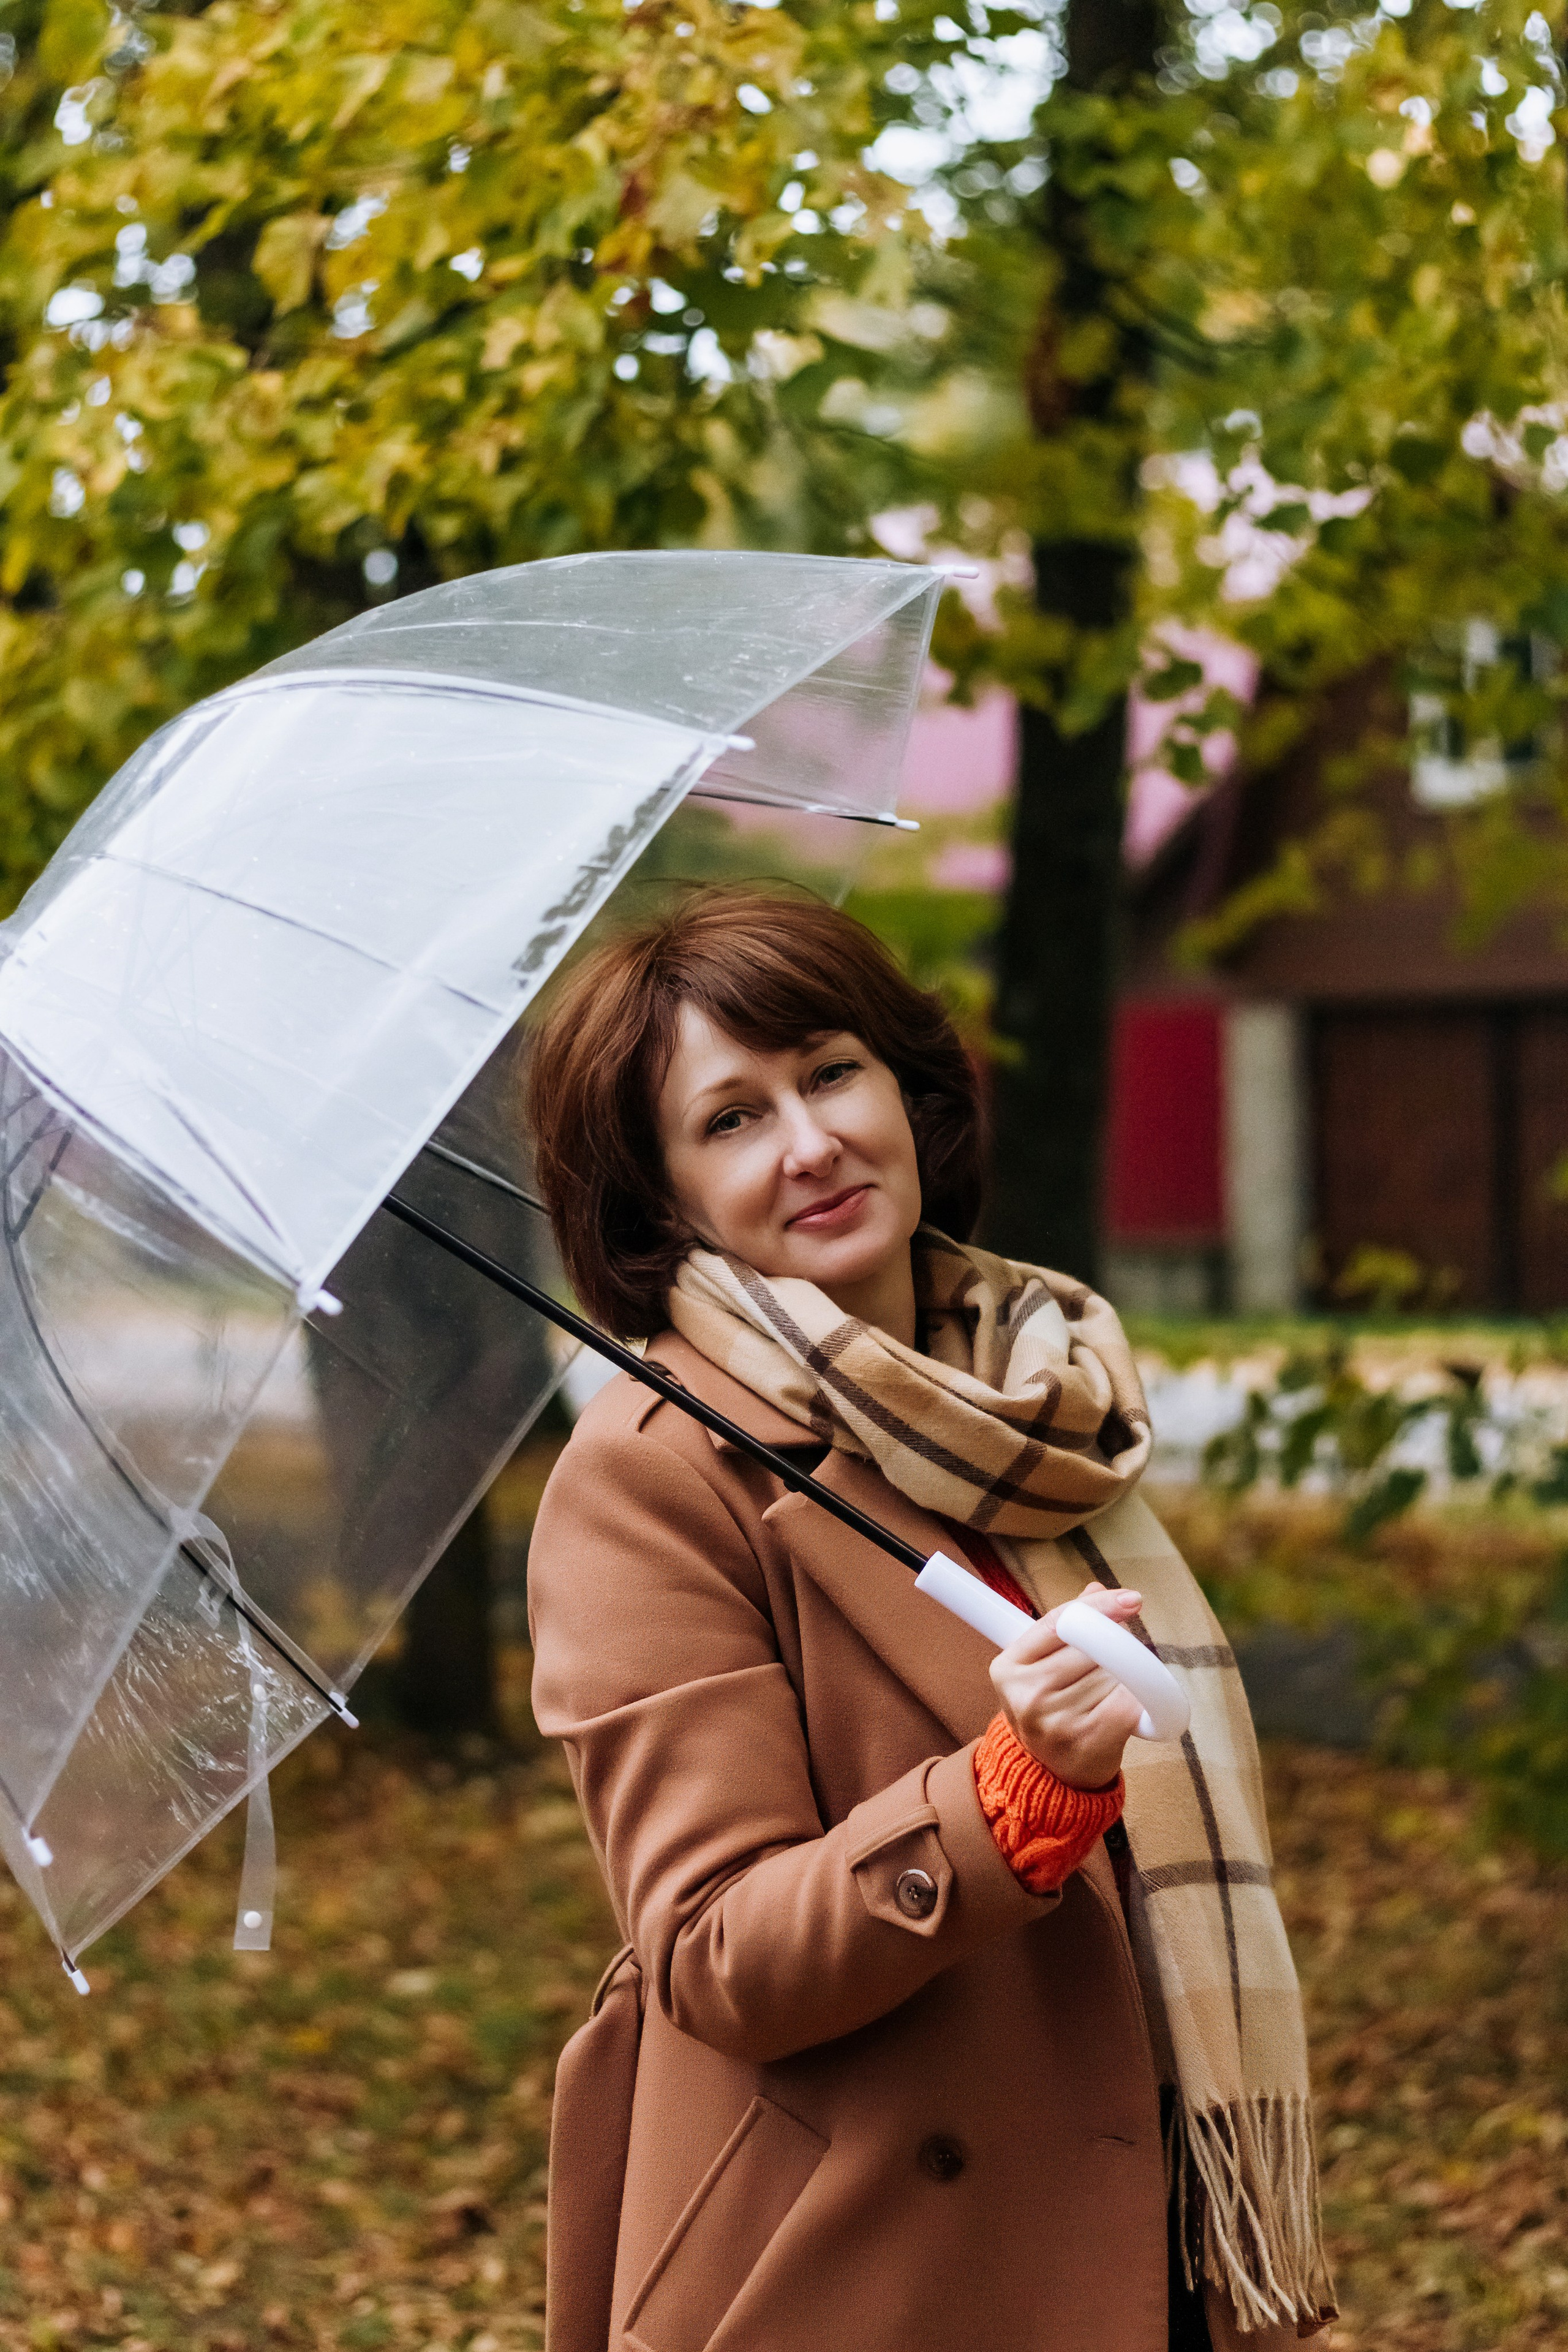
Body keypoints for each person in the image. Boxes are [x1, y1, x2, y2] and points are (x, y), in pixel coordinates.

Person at [524, 888, 1335, 2352]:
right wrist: (1005, 1799)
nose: (810, 1142)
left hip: (1154, 2231)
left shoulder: (1035, 1404)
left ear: (908, 1089)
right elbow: (713, 1951)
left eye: (829, 1072)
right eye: (731, 1119)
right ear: (662, 1201)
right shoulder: (649, 1477)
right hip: (881, 2273)